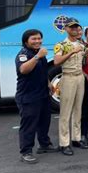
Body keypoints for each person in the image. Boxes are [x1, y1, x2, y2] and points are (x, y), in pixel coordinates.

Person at [15, 29, 58, 163]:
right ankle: (26, 152)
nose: (38, 41)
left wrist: (48, 83)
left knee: (44, 121)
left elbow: (43, 71)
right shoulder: (24, 54)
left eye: (39, 38)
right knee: (29, 125)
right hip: (28, 96)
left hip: (42, 94)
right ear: (26, 41)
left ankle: (44, 144)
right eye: (34, 39)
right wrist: (37, 56)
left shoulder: (39, 53)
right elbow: (24, 70)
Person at [53, 17, 88, 155]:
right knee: (65, 111)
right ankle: (64, 142)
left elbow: (83, 62)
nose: (74, 29)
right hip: (68, 77)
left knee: (78, 109)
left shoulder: (81, 44)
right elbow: (56, 62)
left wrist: (86, 54)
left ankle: (76, 138)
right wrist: (72, 52)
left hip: (80, 77)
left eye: (76, 27)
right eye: (71, 27)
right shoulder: (61, 45)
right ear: (66, 28)